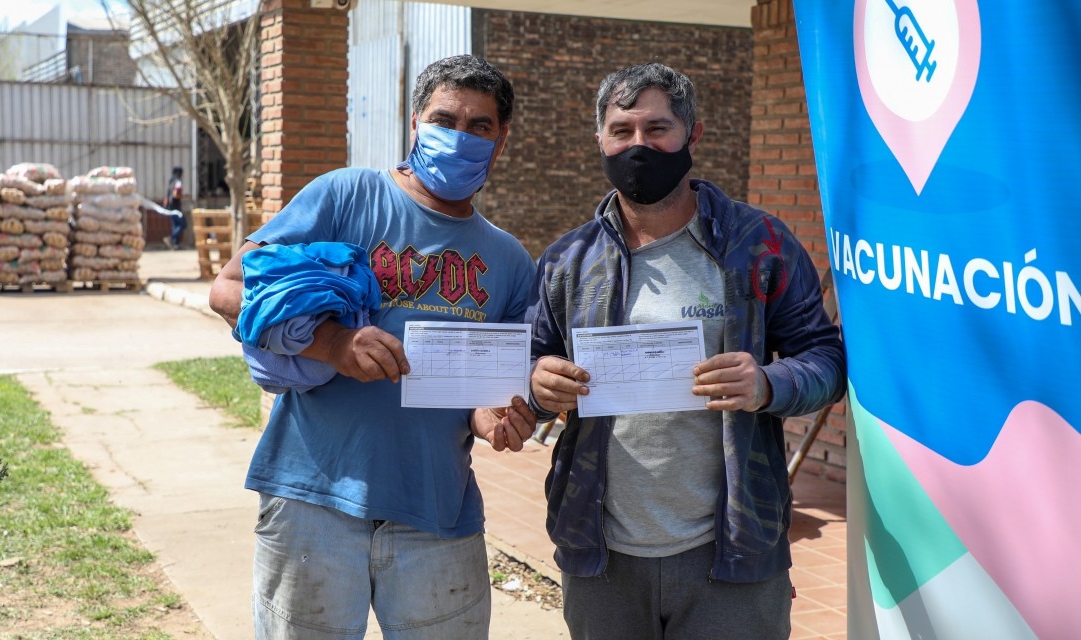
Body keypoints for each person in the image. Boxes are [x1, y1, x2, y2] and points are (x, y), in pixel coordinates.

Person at [208, 54, 538, 639]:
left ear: (502, 139)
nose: (459, 137)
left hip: (437, 516)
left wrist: (495, 417)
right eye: (444, 120)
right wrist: (332, 342)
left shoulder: (509, 261)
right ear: (415, 124)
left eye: (479, 127)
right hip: (314, 501)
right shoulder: (347, 196)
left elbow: (489, 391)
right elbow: (229, 288)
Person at [527, 62, 846, 640]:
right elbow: (530, 370)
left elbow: (826, 362)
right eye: (622, 131)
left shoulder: (761, 245)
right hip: (599, 551)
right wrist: (536, 385)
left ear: (692, 136)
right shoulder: (567, 261)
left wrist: (768, 384)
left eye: (658, 129)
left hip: (732, 552)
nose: (639, 145)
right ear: (599, 137)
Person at [161, 166, 186, 249]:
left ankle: (175, 244)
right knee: (182, 224)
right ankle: (171, 238)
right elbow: (176, 194)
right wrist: (183, 196)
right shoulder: (178, 182)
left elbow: (168, 194)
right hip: (176, 206)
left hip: (170, 206)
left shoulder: (171, 181)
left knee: (175, 225)